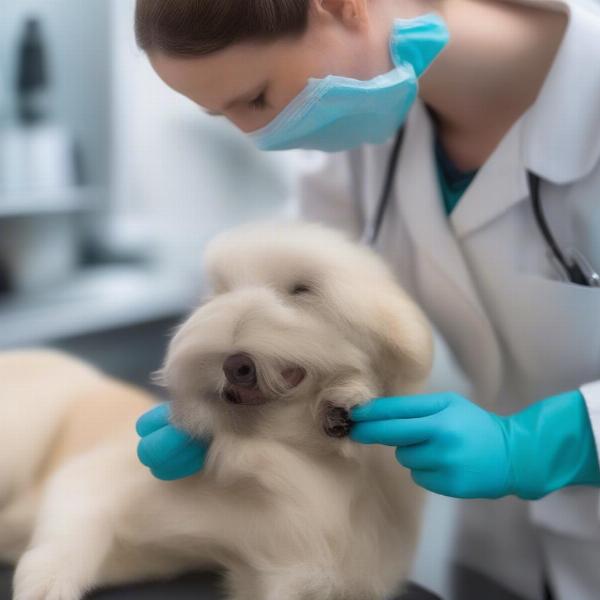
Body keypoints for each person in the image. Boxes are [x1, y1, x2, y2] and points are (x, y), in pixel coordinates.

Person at [132, 1, 600, 598]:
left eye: (255, 98)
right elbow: (288, 325)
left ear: (341, 7)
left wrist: (547, 444)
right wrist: (222, 406)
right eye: (222, 114)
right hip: (498, 552)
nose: (256, 135)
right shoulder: (365, 142)